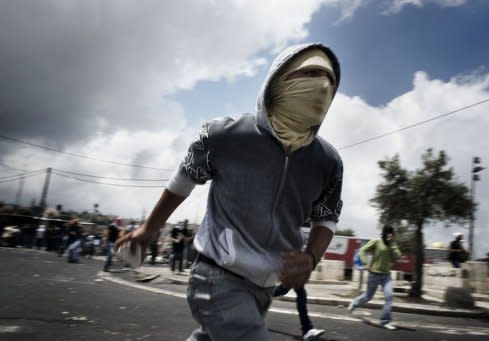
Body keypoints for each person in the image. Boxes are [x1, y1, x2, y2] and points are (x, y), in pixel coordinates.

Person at [116, 42, 343, 340]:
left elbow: (325, 218)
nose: (322, 85)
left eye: (330, 80)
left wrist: (311, 257)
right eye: (310, 73)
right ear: (279, 80)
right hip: (216, 276)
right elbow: (183, 180)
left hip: (265, 289)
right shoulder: (226, 135)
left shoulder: (327, 162)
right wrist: (148, 230)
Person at [347, 225, 402, 330]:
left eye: (391, 232)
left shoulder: (392, 244)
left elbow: (398, 256)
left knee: (389, 297)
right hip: (374, 274)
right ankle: (355, 303)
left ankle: (385, 322)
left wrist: (392, 244)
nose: (390, 234)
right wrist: (365, 263)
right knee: (368, 296)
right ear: (384, 232)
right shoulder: (376, 241)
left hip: (386, 275)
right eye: (388, 232)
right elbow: (363, 250)